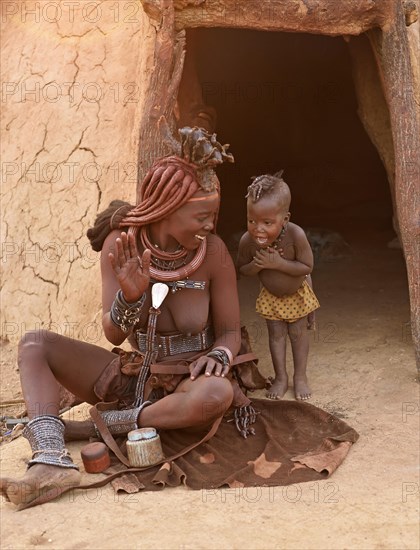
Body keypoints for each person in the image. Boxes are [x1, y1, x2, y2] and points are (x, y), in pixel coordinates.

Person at [0, 126, 251, 509]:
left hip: (189, 383)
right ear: (168, 209)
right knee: (34, 345)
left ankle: (102, 426)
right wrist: (130, 297)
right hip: (133, 376)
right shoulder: (122, 245)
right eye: (202, 216)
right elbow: (113, 335)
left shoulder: (213, 252)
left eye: (213, 215)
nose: (211, 226)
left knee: (219, 393)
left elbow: (231, 331)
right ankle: (50, 461)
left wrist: (219, 356)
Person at [236, 171, 320, 401]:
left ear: (285, 219)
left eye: (267, 223)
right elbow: (241, 270)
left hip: (297, 294)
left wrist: (279, 263)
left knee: (297, 334)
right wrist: (257, 265)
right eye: (251, 221)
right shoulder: (247, 241)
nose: (258, 229)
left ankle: (300, 377)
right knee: (276, 336)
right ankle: (281, 377)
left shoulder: (296, 235)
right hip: (271, 296)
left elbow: (306, 267)